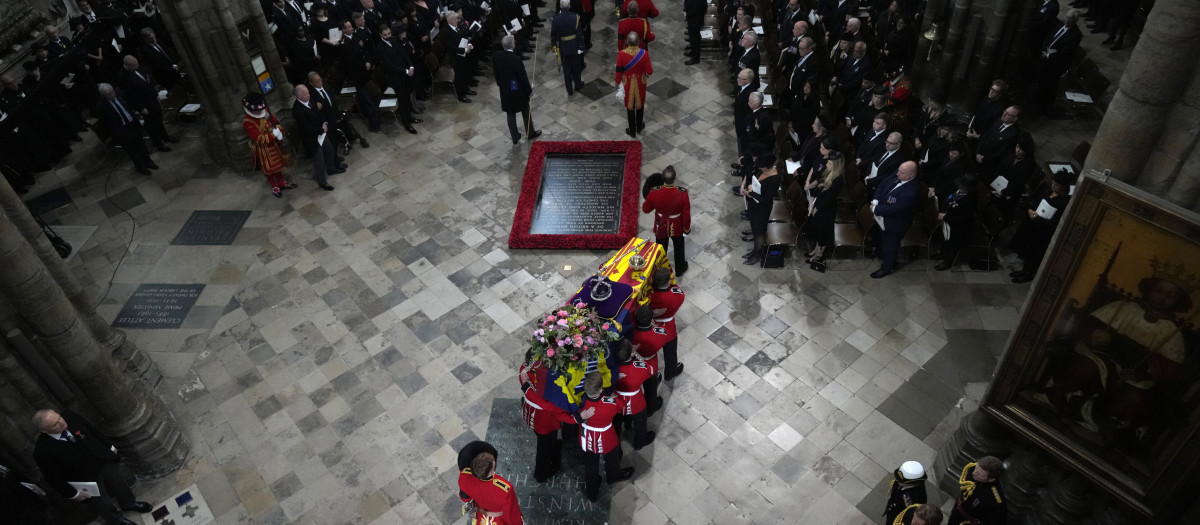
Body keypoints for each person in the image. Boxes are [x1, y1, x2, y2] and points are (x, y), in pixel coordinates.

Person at [31, 409, 151, 525]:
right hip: (84, 477)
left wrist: (109, 447)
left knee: (119, 483)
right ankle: (117, 520)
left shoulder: (70, 416)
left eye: (59, 418)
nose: (61, 423)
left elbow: (92, 430)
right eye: (55, 424)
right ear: (45, 431)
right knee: (102, 501)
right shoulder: (43, 451)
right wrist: (73, 494)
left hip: (101, 459)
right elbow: (54, 478)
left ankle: (129, 503)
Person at [518, 356, 586, 482]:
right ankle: (541, 474)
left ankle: (555, 446)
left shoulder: (525, 369)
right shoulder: (546, 385)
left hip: (530, 412)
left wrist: (527, 388)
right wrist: (576, 416)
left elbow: (528, 388)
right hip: (545, 422)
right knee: (544, 448)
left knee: (547, 441)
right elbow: (553, 407)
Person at [575, 372, 634, 502]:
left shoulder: (579, 401)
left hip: (587, 437)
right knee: (612, 459)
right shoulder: (611, 402)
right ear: (601, 389)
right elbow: (622, 407)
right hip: (607, 437)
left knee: (590, 465)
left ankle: (592, 493)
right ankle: (613, 476)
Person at [1009, 169, 1073, 283]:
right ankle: (1023, 270)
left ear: (1063, 187)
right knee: (1027, 250)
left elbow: (1055, 222)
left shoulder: (1063, 202)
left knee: (1034, 254)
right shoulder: (1047, 191)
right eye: (1053, 183)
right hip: (1033, 226)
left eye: (1057, 185)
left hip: (1043, 232)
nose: (1053, 186)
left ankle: (1028, 274)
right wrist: (1030, 210)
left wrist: (1037, 218)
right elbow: (1035, 203)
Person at [870, 161, 921, 278]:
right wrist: (876, 201)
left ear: (911, 175)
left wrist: (875, 209)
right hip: (882, 217)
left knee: (891, 246)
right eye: (899, 170)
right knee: (884, 242)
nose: (897, 174)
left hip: (895, 224)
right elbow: (882, 184)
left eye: (901, 173)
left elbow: (896, 209)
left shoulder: (910, 192)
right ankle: (884, 256)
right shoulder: (899, 173)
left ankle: (887, 268)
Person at [117, 55, 178, 152]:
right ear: (127, 66)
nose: (137, 67)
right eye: (134, 66)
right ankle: (158, 144)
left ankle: (164, 136)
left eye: (137, 65)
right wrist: (140, 108)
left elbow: (148, 82)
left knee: (159, 119)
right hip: (144, 104)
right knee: (151, 125)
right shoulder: (123, 77)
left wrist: (156, 95)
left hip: (152, 99)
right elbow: (131, 95)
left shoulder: (139, 69)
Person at [95, 83, 158, 176]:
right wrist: (115, 134)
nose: (112, 95)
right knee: (133, 151)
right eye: (108, 94)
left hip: (133, 125)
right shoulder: (102, 107)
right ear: (103, 95)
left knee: (142, 146)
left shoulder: (121, 95)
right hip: (122, 131)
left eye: (112, 92)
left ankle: (148, 162)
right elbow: (105, 124)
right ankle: (141, 167)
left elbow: (131, 104)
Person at [241, 93, 296, 198]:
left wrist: (279, 131)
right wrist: (273, 135)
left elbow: (275, 122)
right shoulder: (248, 122)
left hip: (275, 144)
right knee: (268, 168)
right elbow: (258, 138)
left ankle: (280, 182)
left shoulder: (265, 111)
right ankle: (274, 185)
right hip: (263, 149)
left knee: (279, 164)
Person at [457, 441, 524, 524]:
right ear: (492, 468)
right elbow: (512, 515)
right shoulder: (505, 490)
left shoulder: (464, 475)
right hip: (499, 520)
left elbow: (465, 498)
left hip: (481, 517)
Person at [642, 166, 691, 276]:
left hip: (661, 224)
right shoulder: (683, 193)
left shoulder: (653, 192)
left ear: (662, 178)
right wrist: (686, 229)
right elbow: (686, 214)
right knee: (679, 248)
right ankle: (680, 269)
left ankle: (661, 271)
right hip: (677, 225)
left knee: (661, 248)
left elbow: (645, 209)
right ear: (674, 178)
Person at [493, 35, 542, 144]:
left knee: (510, 113)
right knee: (525, 109)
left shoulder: (496, 56)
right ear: (513, 45)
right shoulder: (515, 59)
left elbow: (496, 72)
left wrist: (500, 84)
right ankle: (530, 132)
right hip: (516, 87)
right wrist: (529, 91)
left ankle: (515, 137)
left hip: (505, 88)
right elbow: (522, 77)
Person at [291, 84, 341, 191]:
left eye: (308, 92)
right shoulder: (297, 111)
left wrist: (324, 123)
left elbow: (319, 113)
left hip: (321, 132)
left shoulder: (309, 100)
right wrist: (321, 129)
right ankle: (323, 182)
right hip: (312, 139)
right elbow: (306, 128)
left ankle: (331, 169)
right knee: (319, 160)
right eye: (306, 94)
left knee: (329, 150)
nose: (309, 95)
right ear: (299, 97)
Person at [803, 151, 845, 272]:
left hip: (826, 209)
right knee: (817, 228)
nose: (827, 164)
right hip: (819, 202)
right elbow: (819, 186)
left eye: (830, 163)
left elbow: (829, 198)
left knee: (823, 230)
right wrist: (813, 196)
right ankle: (816, 249)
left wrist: (817, 207)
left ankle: (820, 253)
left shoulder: (838, 180)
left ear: (836, 165)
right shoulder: (828, 172)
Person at [306, 71, 368, 154]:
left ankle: (350, 138)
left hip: (335, 112)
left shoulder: (326, 85)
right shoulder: (311, 95)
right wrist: (316, 107)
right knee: (333, 137)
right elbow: (313, 110)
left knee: (345, 123)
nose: (320, 82)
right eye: (317, 81)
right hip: (326, 118)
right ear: (311, 83)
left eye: (320, 79)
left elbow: (332, 98)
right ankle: (335, 155)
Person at [613, 340, 657, 450]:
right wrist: (637, 355)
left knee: (617, 422)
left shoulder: (612, 368)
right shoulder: (640, 367)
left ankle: (622, 433)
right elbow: (651, 370)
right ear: (632, 353)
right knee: (640, 423)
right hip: (636, 402)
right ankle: (640, 442)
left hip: (617, 399)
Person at [376, 25, 420, 134]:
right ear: (380, 35)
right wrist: (406, 71)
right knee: (403, 101)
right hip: (396, 78)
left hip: (406, 74)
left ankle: (410, 117)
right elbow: (390, 66)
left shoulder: (394, 41)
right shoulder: (380, 48)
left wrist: (411, 66)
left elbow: (404, 55)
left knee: (408, 97)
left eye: (389, 34)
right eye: (385, 35)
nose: (387, 36)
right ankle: (407, 124)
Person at [1036, 9, 1082, 112]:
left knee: (1050, 86)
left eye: (1071, 19)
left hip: (1056, 64)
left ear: (1075, 20)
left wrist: (1048, 54)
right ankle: (1037, 102)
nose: (1068, 20)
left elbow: (1065, 52)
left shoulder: (1076, 34)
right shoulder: (1059, 26)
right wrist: (1044, 49)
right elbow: (1048, 38)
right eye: (1067, 17)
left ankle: (1045, 108)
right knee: (1041, 81)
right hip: (1045, 57)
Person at [934, 173, 978, 271]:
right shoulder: (955, 192)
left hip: (958, 228)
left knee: (953, 242)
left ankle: (948, 261)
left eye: (964, 187)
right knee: (943, 237)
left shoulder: (969, 201)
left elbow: (963, 219)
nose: (961, 187)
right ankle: (943, 253)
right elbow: (948, 200)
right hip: (947, 221)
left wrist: (945, 217)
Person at [647, 268, 685, 380]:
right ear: (668, 281)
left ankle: (653, 376)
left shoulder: (649, 295)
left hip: (650, 326)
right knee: (670, 351)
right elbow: (679, 293)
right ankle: (671, 372)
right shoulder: (677, 295)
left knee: (650, 354)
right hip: (668, 327)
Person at [742, 154, 781, 266]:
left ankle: (758, 254)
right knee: (754, 229)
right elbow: (755, 181)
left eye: (761, 167)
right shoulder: (762, 171)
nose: (759, 168)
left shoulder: (774, 179)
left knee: (759, 232)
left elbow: (766, 199)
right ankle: (754, 251)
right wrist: (750, 188)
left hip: (762, 208)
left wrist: (751, 193)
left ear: (767, 167)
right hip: (754, 204)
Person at [630, 305, 668, 409]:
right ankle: (651, 407)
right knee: (651, 388)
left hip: (635, 361)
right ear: (651, 318)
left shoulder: (631, 334)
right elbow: (664, 336)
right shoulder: (659, 333)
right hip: (651, 362)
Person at [948, 456, 1006, 525]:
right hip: (958, 507)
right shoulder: (975, 466)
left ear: (991, 479)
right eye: (976, 469)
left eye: (979, 474)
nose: (973, 473)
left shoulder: (994, 502)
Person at [615, 32, 653, 138]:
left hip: (627, 83)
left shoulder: (621, 54)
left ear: (627, 42)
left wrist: (617, 82)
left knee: (630, 106)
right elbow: (649, 71)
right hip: (641, 83)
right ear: (638, 42)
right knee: (640, 105)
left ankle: (632, 131)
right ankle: (639, 126)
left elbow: (618, 71)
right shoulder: (644, 53)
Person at [970, 106, 1021, 180]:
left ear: (1015, 118)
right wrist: (977, 152)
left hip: (988, 166)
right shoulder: (999, 120)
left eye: (1008, 114)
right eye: (1005, 111)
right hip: (977, 157)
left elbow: (1001, 153)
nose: (1004, 114)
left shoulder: (1014, 134)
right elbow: (986, 137)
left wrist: (984, 158)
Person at [551, 0, 585, 96]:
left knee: (566, 69)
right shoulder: (575, 17)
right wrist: (581, 47)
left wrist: (554, 47)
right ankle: (578, 84)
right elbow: (580, 34)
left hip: (563, 47)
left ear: (560, 7)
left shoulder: (555, 19)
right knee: (576, 67)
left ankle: (569, 89)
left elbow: (553, 35)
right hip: (574, 46)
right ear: (569, 6)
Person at [884, 460, 929, 525]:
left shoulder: (917, 498)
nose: (896, 480)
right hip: (892, 511)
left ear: (913, 483)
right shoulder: (902, 480)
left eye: (900, 480)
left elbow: (909, 516)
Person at [683, 0, 705, 64]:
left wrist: (687, 14)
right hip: (691, 19)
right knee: (692, 38)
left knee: (695, 40)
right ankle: (692, 51)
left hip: (696, 21)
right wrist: (685, 10)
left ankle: (695, 59)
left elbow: (697, 10)